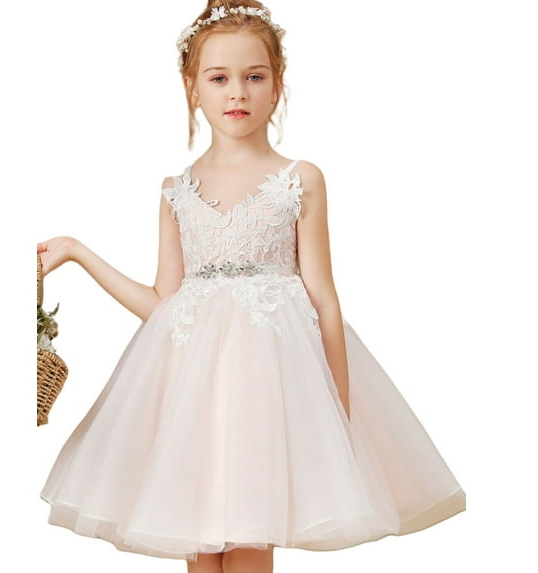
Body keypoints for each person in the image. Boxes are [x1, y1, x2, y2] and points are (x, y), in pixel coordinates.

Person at [37, 1, 466, 572]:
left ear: (277, 84)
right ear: (192, 87)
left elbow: (323, 299)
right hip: (189, 394)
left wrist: (338, 411)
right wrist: (77, 252)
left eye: (254, 76)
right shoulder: (175, 191)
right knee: (199, 549)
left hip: (269, 392)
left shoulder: (299, 180)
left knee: (247, 544)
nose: (236, 92)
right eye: (218, 78)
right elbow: (164, 303)